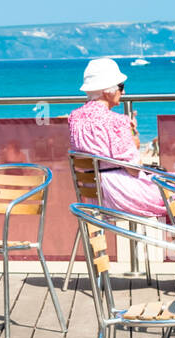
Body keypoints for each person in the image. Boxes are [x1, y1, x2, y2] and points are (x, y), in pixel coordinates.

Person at [68, 57, 168, 220]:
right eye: (121, 87)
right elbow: (134, 169)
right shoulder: (116, 121)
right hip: (119, 196)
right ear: (108, 90)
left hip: (93, 196)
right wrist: (134, 143)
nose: (124, 92)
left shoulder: (74, 118)